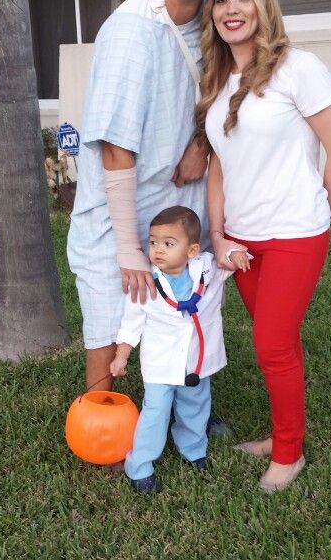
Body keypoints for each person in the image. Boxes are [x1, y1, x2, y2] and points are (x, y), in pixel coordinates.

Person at [195, 0, 331, 492]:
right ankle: (282, 430)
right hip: (241, 240)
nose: (231, 9)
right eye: (221, 0)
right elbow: (219, 165)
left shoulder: (298, 67)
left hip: (293, 236)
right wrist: (216, 234)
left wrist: (320, 215)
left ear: (264, 5)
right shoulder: (219, 79)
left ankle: (288, 454)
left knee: (270, 342)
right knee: (278, 345)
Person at [67, 0, 223, 394]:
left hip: (179, 200)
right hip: (122, 205)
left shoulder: (212, 23)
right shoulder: (133, 30)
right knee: (110, 311)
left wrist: (200, 143)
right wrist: (129, 248)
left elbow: (219, 90)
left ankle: (185, 410)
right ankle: (102, 415)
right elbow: (115, 146)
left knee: (186, 304)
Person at [110, 206, 250, 493]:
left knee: (195, 405)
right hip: (161, 365)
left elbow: (230, 259)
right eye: (153, 242)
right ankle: (139, 465)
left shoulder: (207, 269)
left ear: (192, 250)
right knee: (155, 412)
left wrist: (236, 254)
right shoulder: (146, 282)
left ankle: (193, 449)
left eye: (168, 244)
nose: (158, 250)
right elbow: (131, 323)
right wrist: (121, 355)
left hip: (197, 362)